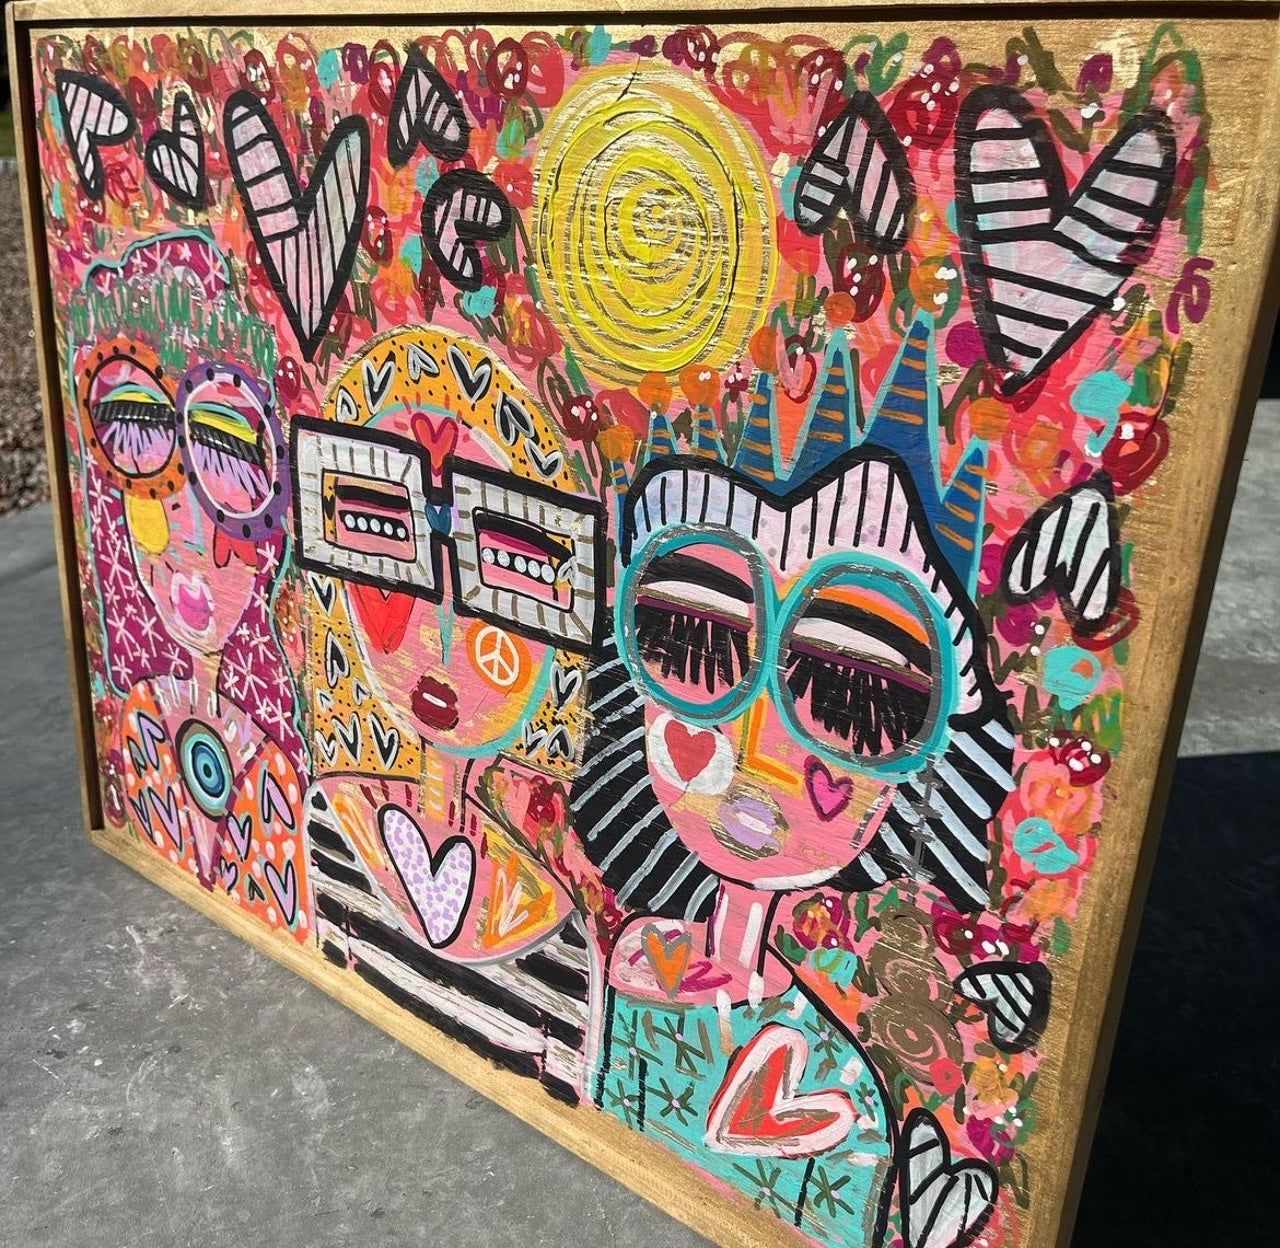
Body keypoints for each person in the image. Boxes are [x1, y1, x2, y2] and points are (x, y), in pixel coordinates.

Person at [578, 318, 1016, 1245]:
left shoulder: (849, 1079)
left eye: (857, 695)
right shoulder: (620, 961)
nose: (757, 748)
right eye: (691, 641)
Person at [74, 233, 309, 938]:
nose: (188, 530)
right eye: (139, 437)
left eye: (227, 462)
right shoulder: (136, 730)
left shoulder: (278, 772)